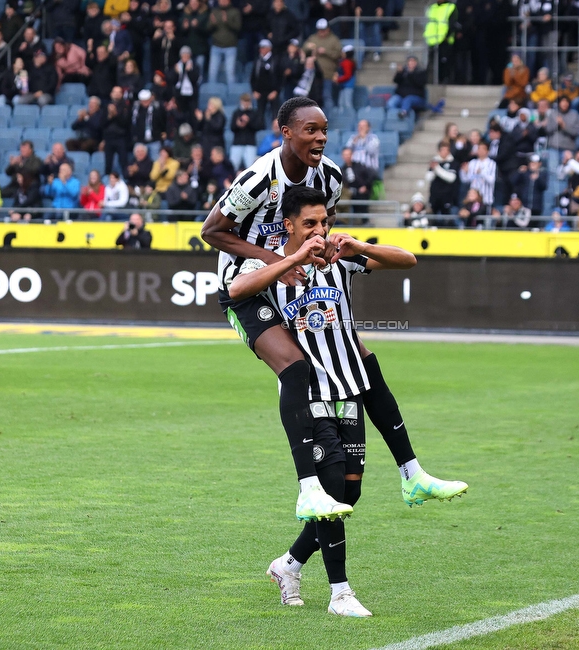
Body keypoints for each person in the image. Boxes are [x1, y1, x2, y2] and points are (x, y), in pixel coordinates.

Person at [200, 97, 468, 521]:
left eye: (324, 129)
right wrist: (278, 263)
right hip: (249, 285)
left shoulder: (330, 176)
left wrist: (326, 253)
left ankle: (412, 473)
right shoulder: (256, 179)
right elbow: (211, 231)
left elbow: (324, 221)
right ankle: (308, 489)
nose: (321, 137)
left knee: (360, 359)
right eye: (310, 129)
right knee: (294, 366)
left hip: (298, 277)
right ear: (285, 131)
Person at [227, 187, 420, 616]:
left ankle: (288, 564)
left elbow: (408, 260)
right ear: (289, 224)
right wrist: (291, 261)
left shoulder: (339, 255)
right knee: (330, 490)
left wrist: (359, 245)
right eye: (310, 223)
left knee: (349, 494)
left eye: (324, 222)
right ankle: (341, 593)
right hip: (308, 394)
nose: (320, 230)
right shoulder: (270, 260)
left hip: (347, 385)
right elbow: (238, 289)